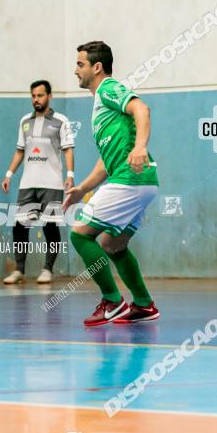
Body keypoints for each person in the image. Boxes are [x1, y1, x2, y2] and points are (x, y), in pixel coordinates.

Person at [62, 41, 160, 325]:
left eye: (80, 64)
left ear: (97, 67)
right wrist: (82, 188)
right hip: (142, 182)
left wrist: (140, 146)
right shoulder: (100, 105)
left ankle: (113, 301)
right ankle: (143, 304)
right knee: (113, 244)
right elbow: (106, 161)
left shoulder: (108, 89)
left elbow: (142, 109)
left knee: (80, 235)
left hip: (130, 179)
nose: (75, 70)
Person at [0, 80, 75, 284]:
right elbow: (20, 150)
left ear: (49, 96)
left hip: (52, 183)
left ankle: (47, 269)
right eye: (33, 96)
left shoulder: (61, 120)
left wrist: (70, 175)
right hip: (28, 183)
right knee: (20, 225)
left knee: (50, 226)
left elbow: (68, 148)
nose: (36, 99)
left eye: (40, 95)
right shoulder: (25, 121)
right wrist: (9, 174)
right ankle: (19, 270)